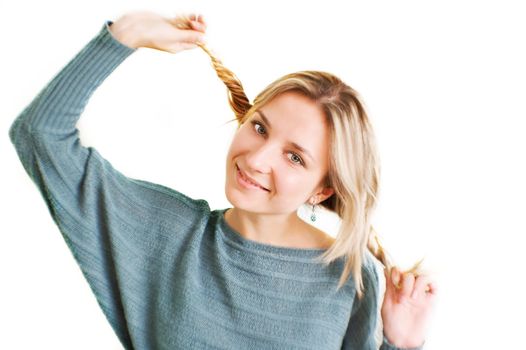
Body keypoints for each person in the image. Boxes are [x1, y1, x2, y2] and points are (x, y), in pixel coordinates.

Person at [8, 10, 436, 350]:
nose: (256, 158)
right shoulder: (169, 232)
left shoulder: (350, 276)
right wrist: (124, 35)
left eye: (294, 157)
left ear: (323, 189)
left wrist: (401, 343)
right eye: (259, 127)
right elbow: (38, 135)